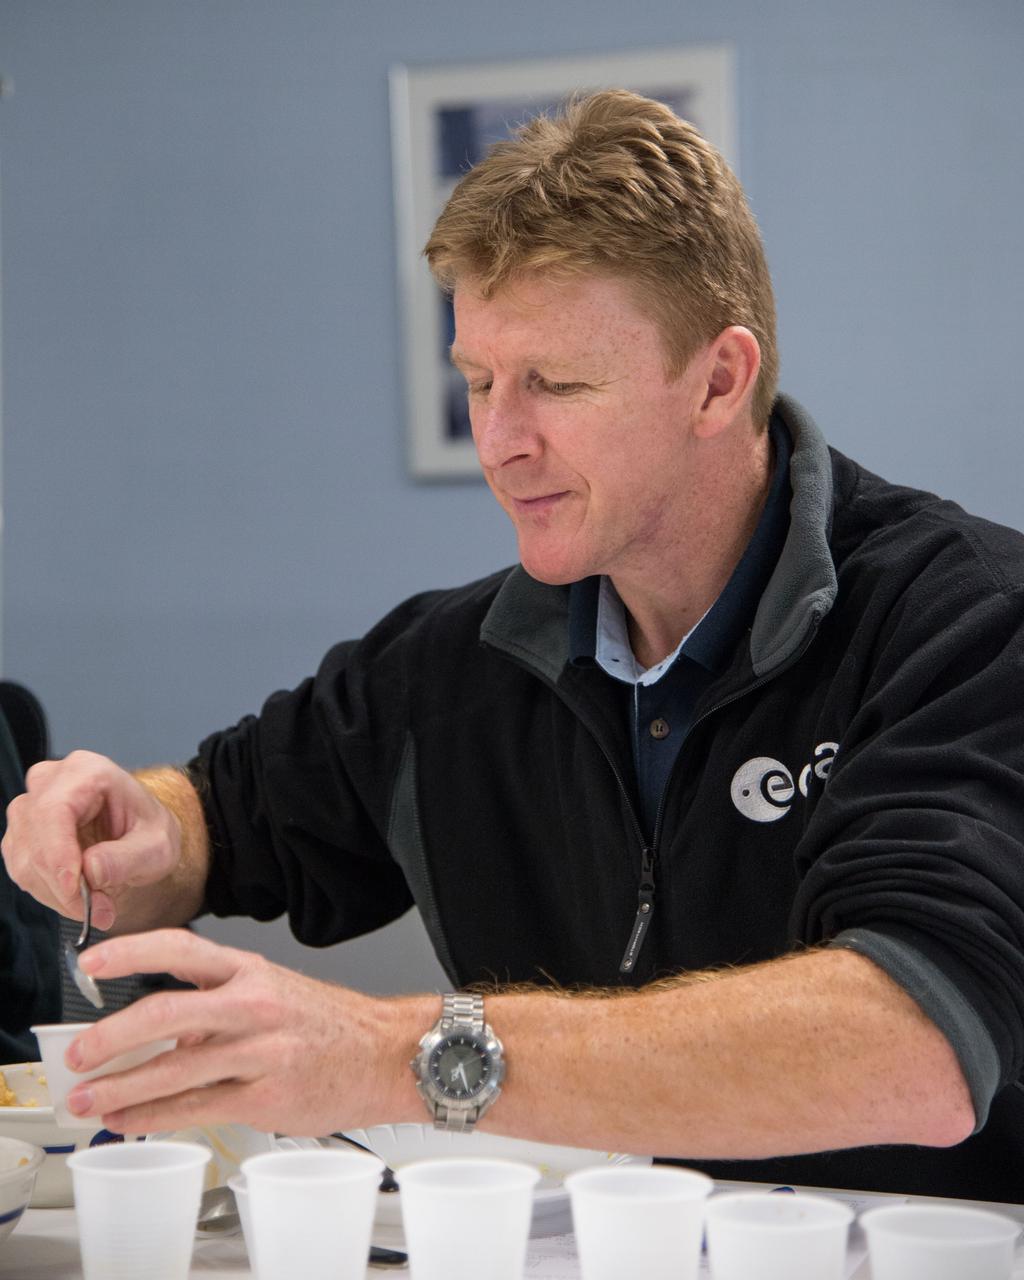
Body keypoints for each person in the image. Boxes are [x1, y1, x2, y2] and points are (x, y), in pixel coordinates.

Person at [4, 89, 1024, 1201]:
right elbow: (222, 817)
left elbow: (915, 1044)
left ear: (718, 381)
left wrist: (396, 1054)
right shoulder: (453, 662)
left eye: (556, 384)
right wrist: (143, 832)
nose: (498, 442)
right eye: (479, 381)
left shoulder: (965, 623)